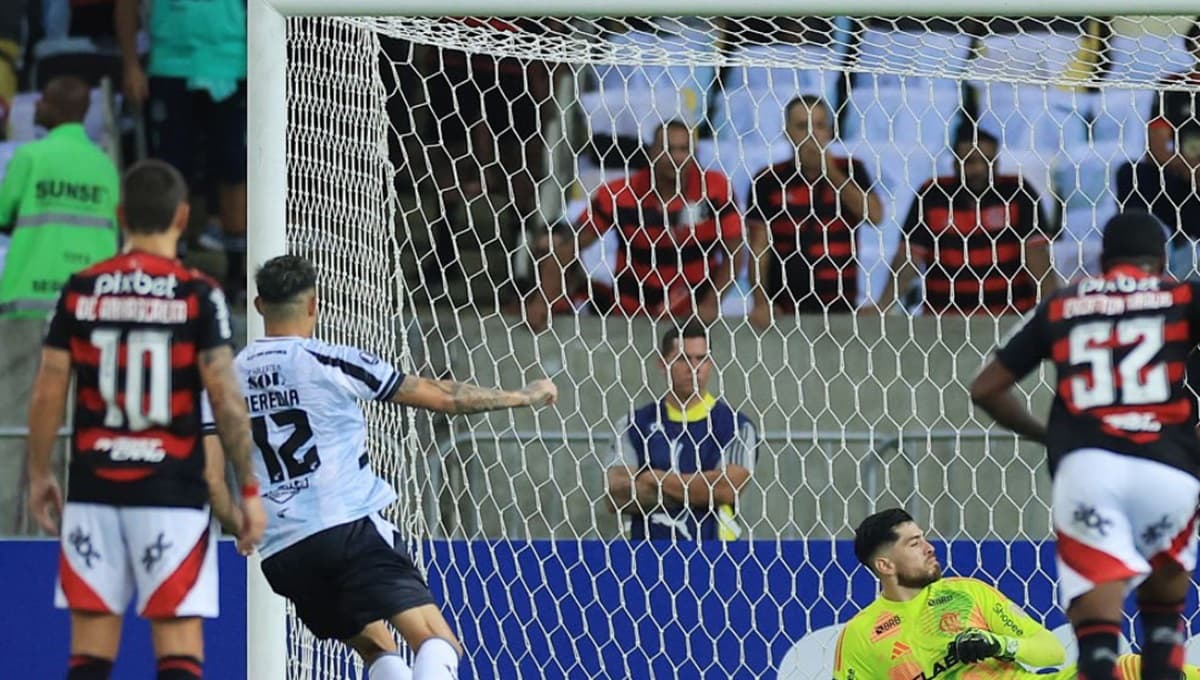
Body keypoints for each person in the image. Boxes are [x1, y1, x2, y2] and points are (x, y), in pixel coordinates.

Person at [202, 254, 557, 680]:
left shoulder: (223, 381)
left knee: (378, 649)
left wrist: (239, 524)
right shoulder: (330, 360)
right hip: (346, 527)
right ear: (314, 304)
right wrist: (523, 395)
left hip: (284, 551)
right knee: (436, 640)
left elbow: (210, 477)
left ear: (259, 306)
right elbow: (443, 397)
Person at [25, 159, 265, 680]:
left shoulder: (81, 289)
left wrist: (40, 473)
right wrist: (247, 489)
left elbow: (48, 391)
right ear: (183, 217)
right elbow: (225, 399)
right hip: (172, 493)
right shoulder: (197, 294)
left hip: (95, 487)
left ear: (119, 214)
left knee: (90, 653)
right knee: (178, 649)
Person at [970, 211, 1200, 680]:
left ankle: (1097, 659)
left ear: (1101, 260)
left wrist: (1046, 435)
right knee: (1162, 618)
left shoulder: (1064, 303)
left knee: (1096, 637)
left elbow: (986, 388)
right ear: (1161, 259)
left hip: (1088, 468)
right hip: (1167, 466)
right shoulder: (1184, 296)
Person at [835, 508, 1200, 679]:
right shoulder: (861, 635)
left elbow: (1051, 649)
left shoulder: (968, 593)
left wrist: (999, 644)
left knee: (1135, 670)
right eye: (915, 544)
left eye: (925, 538)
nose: (930, 547)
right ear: (885, 566)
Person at [0, 75, 121, 533]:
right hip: (92, 314)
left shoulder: (31, 156)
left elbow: (3, 212)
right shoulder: (104, 165)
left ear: (50, 107)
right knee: (77, 428)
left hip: (29, 308)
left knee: (17, 426)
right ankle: (71, 529)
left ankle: (11, 533)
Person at [526, 120, 742, 330]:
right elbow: (568, 245)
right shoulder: (618, 195)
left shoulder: (716, 189)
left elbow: (736, 251)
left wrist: (712, 303)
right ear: (651, 153)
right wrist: (542, 299)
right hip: (632, 312)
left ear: (694, 154)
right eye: (668, 149)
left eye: (684, 149)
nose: (676, 157)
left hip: (694, 312)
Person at [116, 0, 247, 299]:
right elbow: (126, 6)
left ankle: (238, 273)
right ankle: (171, 264)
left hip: (233, 63)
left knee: (234, 168)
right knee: (170, 172)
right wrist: (131, 64)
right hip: (170, 65)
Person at [874, 128, 1057, 316]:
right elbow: (909, 257)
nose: (978, 169)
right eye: (969, 162)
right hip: (943, 321)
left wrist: (1051, 310)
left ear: (997, 163)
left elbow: (1036, 256)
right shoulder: (932, 194)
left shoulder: (1019, 192)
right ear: (954, 164)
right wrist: (883, 306)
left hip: (1008, 317)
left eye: (986, 161)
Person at [603, 321, 757, 540]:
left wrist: (654, 479)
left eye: (701, 359)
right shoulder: (632, 424)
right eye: (683, 358)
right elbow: (617, 495)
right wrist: (699, 491)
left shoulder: (737, 426)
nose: (693, 368)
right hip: (647, 555)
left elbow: (725, 489)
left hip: (717, 555)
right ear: (662, 364)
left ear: (710, 363)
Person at [746, 95, 883, 325]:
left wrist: (830, 172)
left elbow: (874, 216)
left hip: (842, 310)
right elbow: (759, 247)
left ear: (829, 132)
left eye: (819, 126)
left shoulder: (852, 170)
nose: (812, 135)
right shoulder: (767, 180)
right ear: (787, 132)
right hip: (785, 311)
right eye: (802, 127)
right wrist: (760, 302)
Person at [1118, 21, 1200, 278]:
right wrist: (1190, 167)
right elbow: (1156, 148)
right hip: (1185, 178)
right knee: (1130, 174)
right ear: (1192, 45)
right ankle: (1135, 261)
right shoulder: (1175, 86)